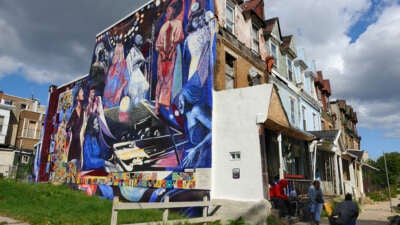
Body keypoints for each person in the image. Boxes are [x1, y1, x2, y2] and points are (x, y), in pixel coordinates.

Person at [154, 0, 184, 114]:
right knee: (160, 80)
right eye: (166, 11)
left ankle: (166, 104)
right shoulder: (164, 26)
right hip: (162, 58)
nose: (167, 13)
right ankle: (156, 104)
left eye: (169, 11)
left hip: (172, 56)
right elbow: (158, 44)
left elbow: (177, 40)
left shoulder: (178, 24)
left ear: (174, 12)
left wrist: (170, 53)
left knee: (169, 80)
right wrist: (162, 53)